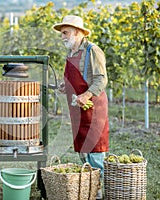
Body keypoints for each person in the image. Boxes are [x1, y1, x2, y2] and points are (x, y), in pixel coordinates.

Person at [53, 15, 109, 199]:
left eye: (65, 33)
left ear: (76, 32)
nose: (62, 37)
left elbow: (101, 78)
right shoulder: (71, 53)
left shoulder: (93, 51)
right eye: (61, 33)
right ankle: (88, 187)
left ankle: (98, 189)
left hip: (93, 107)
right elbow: (73, 78)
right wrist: (65, 86)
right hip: (77, 108)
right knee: (83, 147)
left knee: (95, 148)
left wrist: (86, 95)